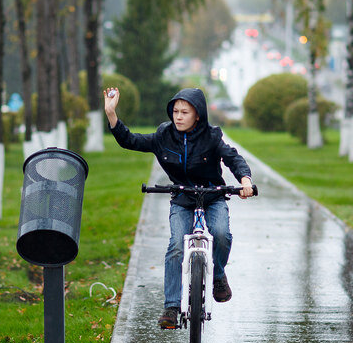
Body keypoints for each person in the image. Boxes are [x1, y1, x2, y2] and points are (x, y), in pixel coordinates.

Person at [104, 86, 254, 329]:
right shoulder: (164, 136)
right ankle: (171, 307)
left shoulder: (212, 136)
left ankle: (217, 276)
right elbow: (130, 140)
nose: (179, 116)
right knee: (176, 246)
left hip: (212, 195)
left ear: (198, 115)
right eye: (175, 111)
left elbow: (232, 157)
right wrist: (111, 114)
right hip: (183, 197)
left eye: (185, 112)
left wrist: (245, 180)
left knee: (221, 234)